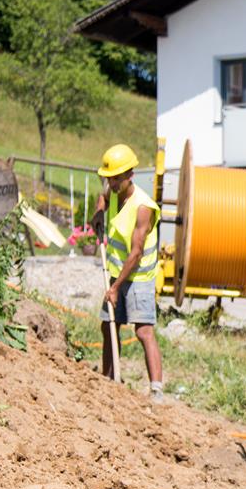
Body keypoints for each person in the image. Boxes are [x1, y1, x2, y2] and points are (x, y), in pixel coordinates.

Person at [92, 144, 164, 401]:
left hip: (139, 278)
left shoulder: (143, 206)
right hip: (116, 273)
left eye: (115, 178)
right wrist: (98, 213)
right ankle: (108, 380)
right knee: (108, 325)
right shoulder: (112, 192)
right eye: (108, 178)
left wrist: (114, 287)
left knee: (143, 331)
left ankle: (156, 389)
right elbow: (103, 196)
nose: (111, 183)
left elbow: (136, 254)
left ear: (129, 176)